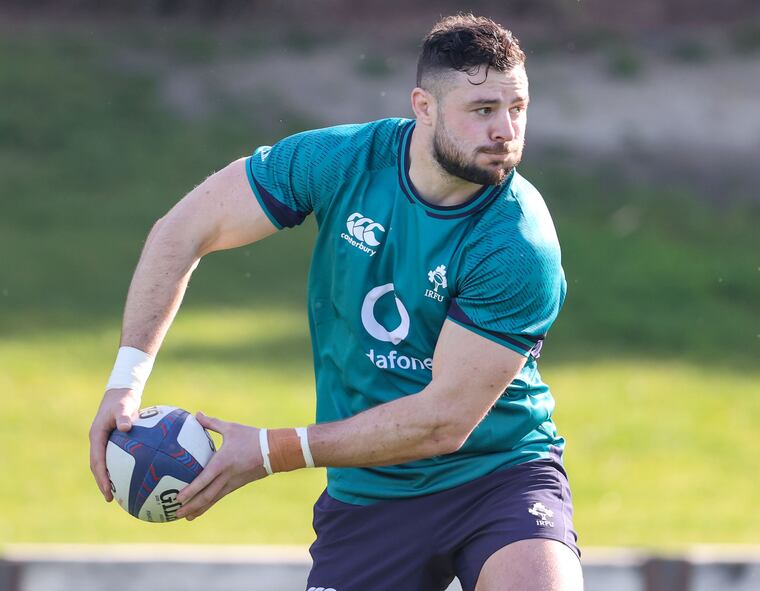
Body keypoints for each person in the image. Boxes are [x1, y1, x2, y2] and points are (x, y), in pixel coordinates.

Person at [89, 14, 583, 591]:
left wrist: (271, 451)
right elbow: (182, 231)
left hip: (497, 475)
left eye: (517, 108)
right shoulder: (341, 161)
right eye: (482, 110)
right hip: (369, 492)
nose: (505, 130)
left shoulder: (518, 241)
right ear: (423, 106)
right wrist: (125, 382)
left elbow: (442, 424)